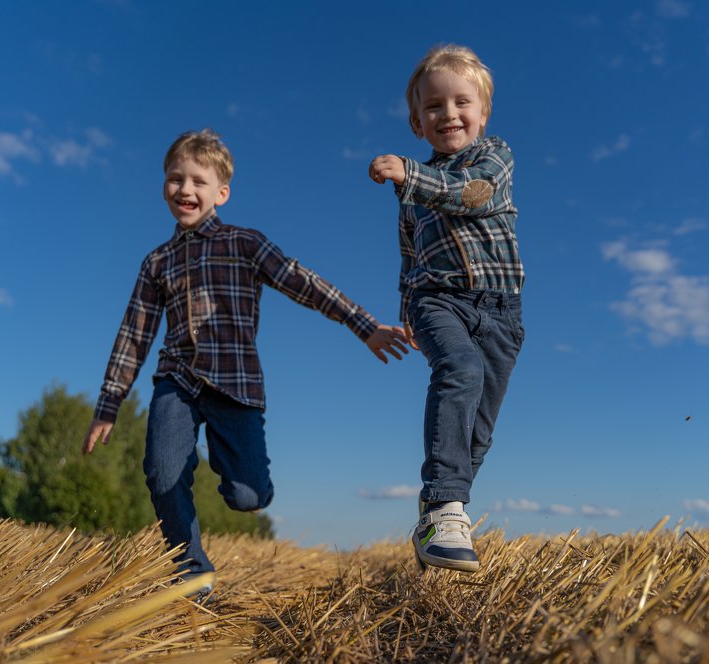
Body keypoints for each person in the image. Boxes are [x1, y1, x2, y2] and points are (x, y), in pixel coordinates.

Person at [83, 129, 409, 586]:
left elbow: (303, 282)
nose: (185, 189)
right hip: (177, 380)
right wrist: (109, 404)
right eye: (176, 179)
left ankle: (232, 459)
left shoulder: (245, 243)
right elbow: (134, 333)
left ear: (222, 193)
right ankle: (191, 571)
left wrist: (364, 325)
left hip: (235, 384)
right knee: (161, 472)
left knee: (247, 497)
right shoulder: (156, 263)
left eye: (198, 181)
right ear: (164, 187)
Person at [369, 45, 525, 572]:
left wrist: (411, 176)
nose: (449, 114)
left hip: (502, 310)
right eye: (434, 106)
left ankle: (442, 508)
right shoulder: (410, 190)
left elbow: (472, 194)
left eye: (462, 103)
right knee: (458, 369)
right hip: (439, 301)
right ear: (417, 122)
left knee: (478, 431)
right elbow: (410, 253)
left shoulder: (495, 157)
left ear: (483, 115)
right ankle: (442, 506)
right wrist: (407, 306)